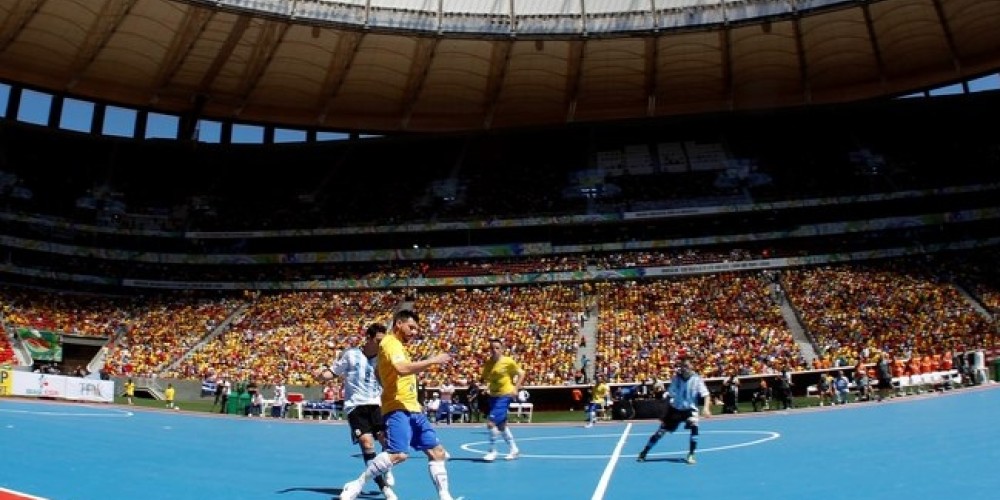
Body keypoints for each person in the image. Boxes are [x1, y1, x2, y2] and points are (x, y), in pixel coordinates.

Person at [339, 309, 457, 500]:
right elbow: (401, 369)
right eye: (411, 327)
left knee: (438, 452)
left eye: (416, 328)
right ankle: (356, 485)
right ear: (398, 324)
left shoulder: (399, 346)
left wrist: (385, 383)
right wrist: (434, 360)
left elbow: (379, 371)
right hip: (398, 408)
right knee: (398, 455)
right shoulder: (390, 342)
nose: (414, 332)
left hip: (413, 408)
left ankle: (445, 497)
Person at [315, 323, 396, 500]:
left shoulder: (384, 357)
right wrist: (321, 375)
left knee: (387, 441)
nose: (382, 344)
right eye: (378, 340)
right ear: (368, 338)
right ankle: (384, 488)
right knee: (367, 444)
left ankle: (387, 467)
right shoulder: (351, 355)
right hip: (356, 406)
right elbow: (333, 372)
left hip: (377, 404)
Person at [637, 359, 711, 465]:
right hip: (675, 409)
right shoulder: (677, 379)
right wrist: (665, 401)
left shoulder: (697, 379)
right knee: (660, 432)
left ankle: (691, 454)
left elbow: (706, 395)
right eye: (682, 366)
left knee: (694, 425)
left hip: (690, 409)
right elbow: (671, 393)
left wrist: (706, 408)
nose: (684, 368)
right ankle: (644, 452)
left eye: (687, 365)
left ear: (691, 367)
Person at [480, 337, 524, 461]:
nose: (494, 350)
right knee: (501, 426)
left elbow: (521, 373)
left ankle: (492, 451)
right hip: (493, 396)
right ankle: (514, 449)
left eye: (497, 348)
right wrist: (485, 387)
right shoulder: (488, 363)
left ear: (502, 349)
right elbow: (486, 378)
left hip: (505, 395)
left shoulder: (508, 361)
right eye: (492, 348)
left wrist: (516, 389)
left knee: (490, 423)